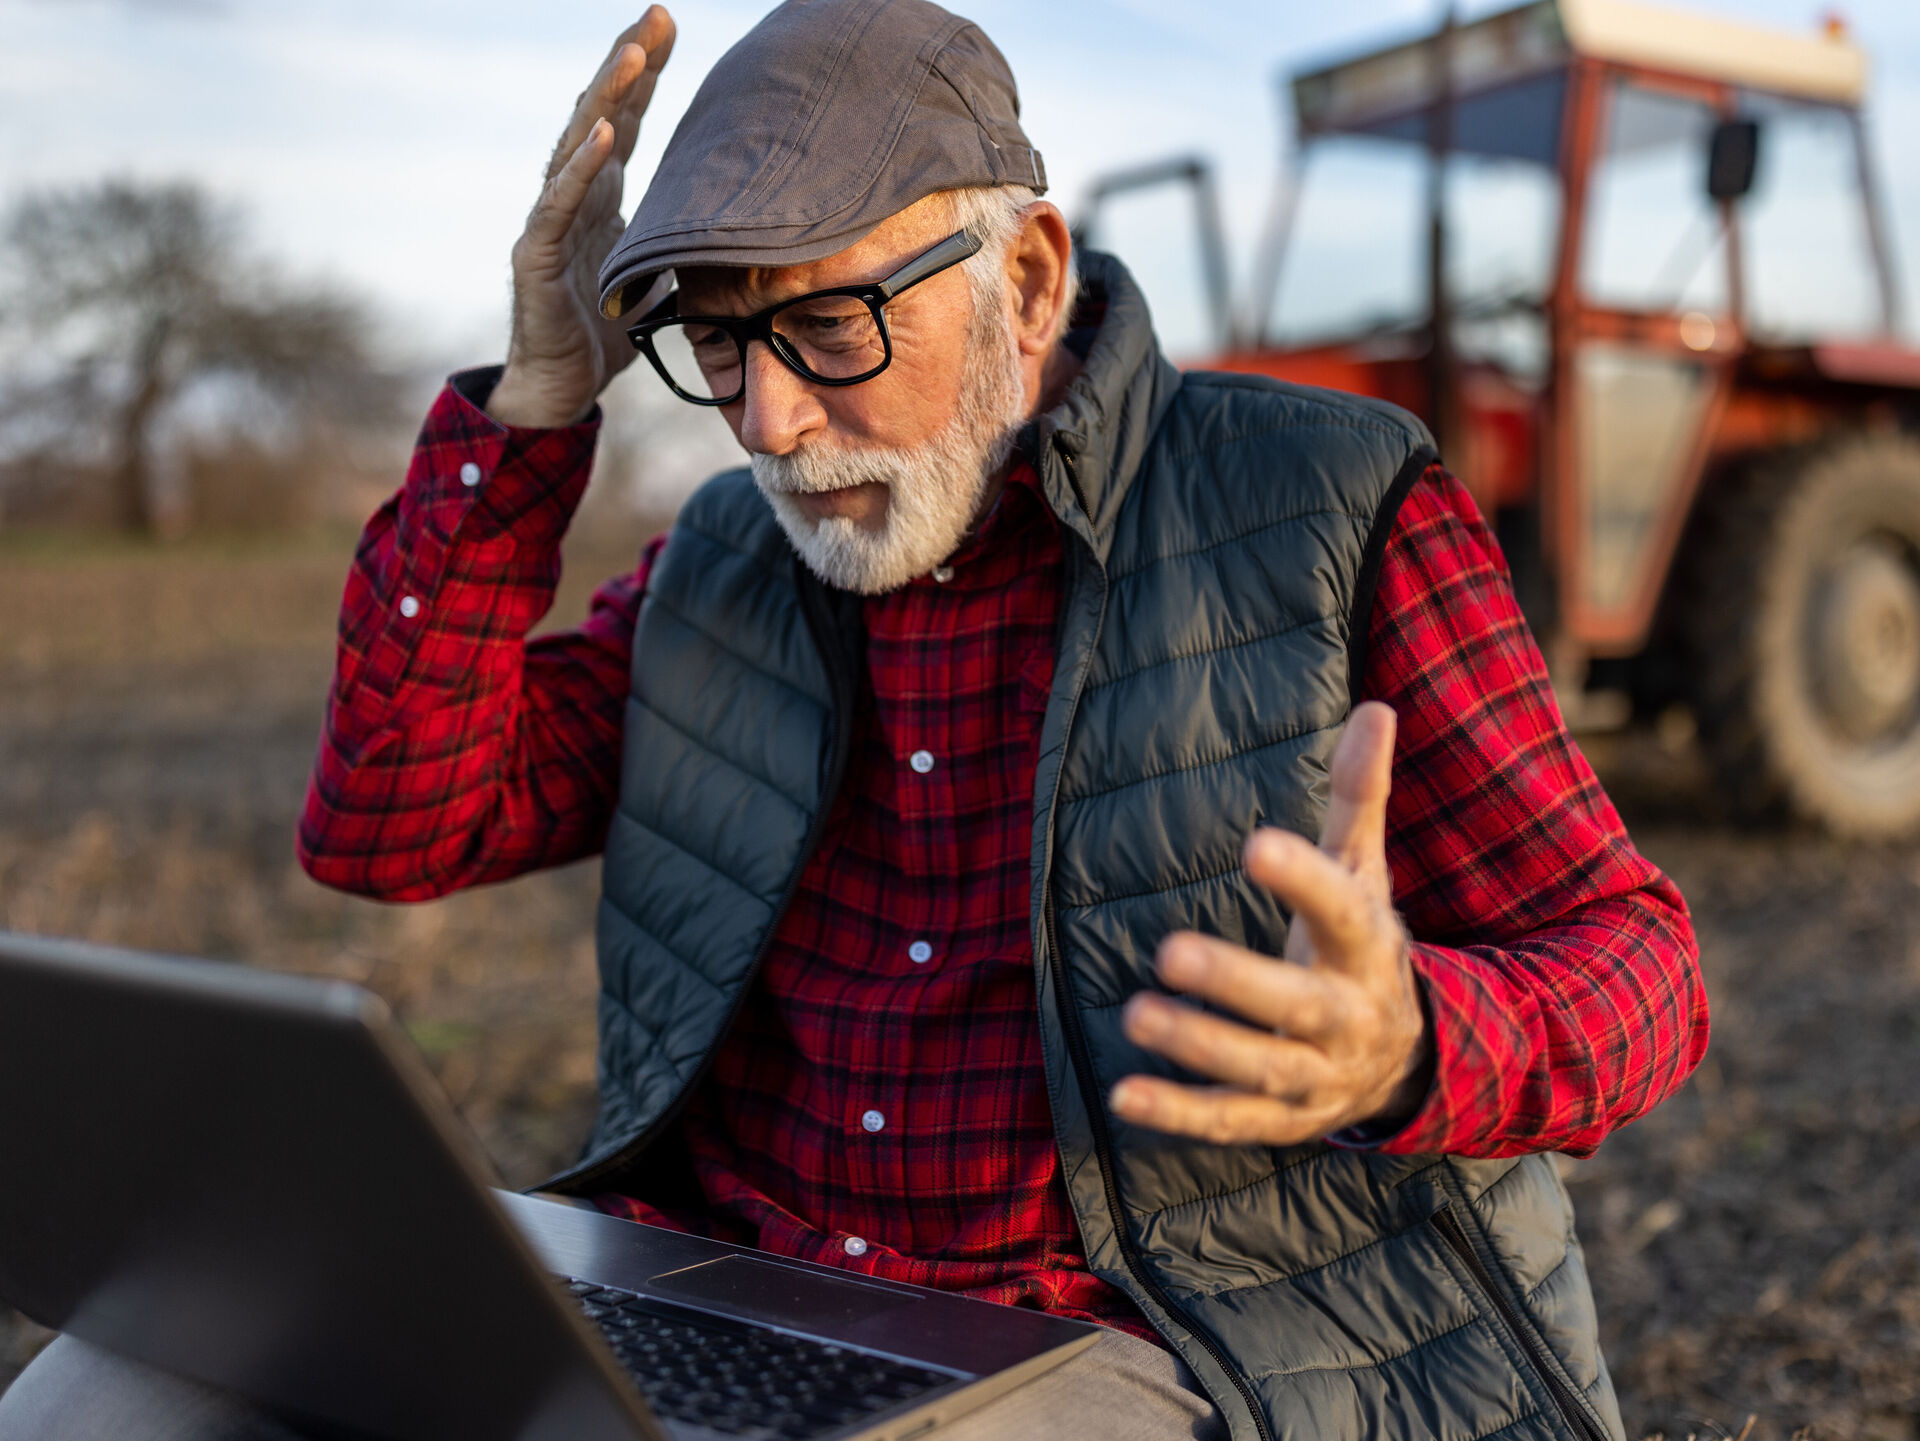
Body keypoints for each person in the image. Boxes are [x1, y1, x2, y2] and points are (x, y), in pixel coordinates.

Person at [0, 2, 1707, 1438]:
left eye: (828, 324)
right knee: (130, 1380)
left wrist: (1409, 1041)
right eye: (723, 350)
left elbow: (1639, 963)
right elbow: (392, 821)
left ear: (1026, 277)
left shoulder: (1333, 503)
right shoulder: (724, 560)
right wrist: (530, 409)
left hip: (1139, 1329)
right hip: (712, 1278)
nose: (773, 419)